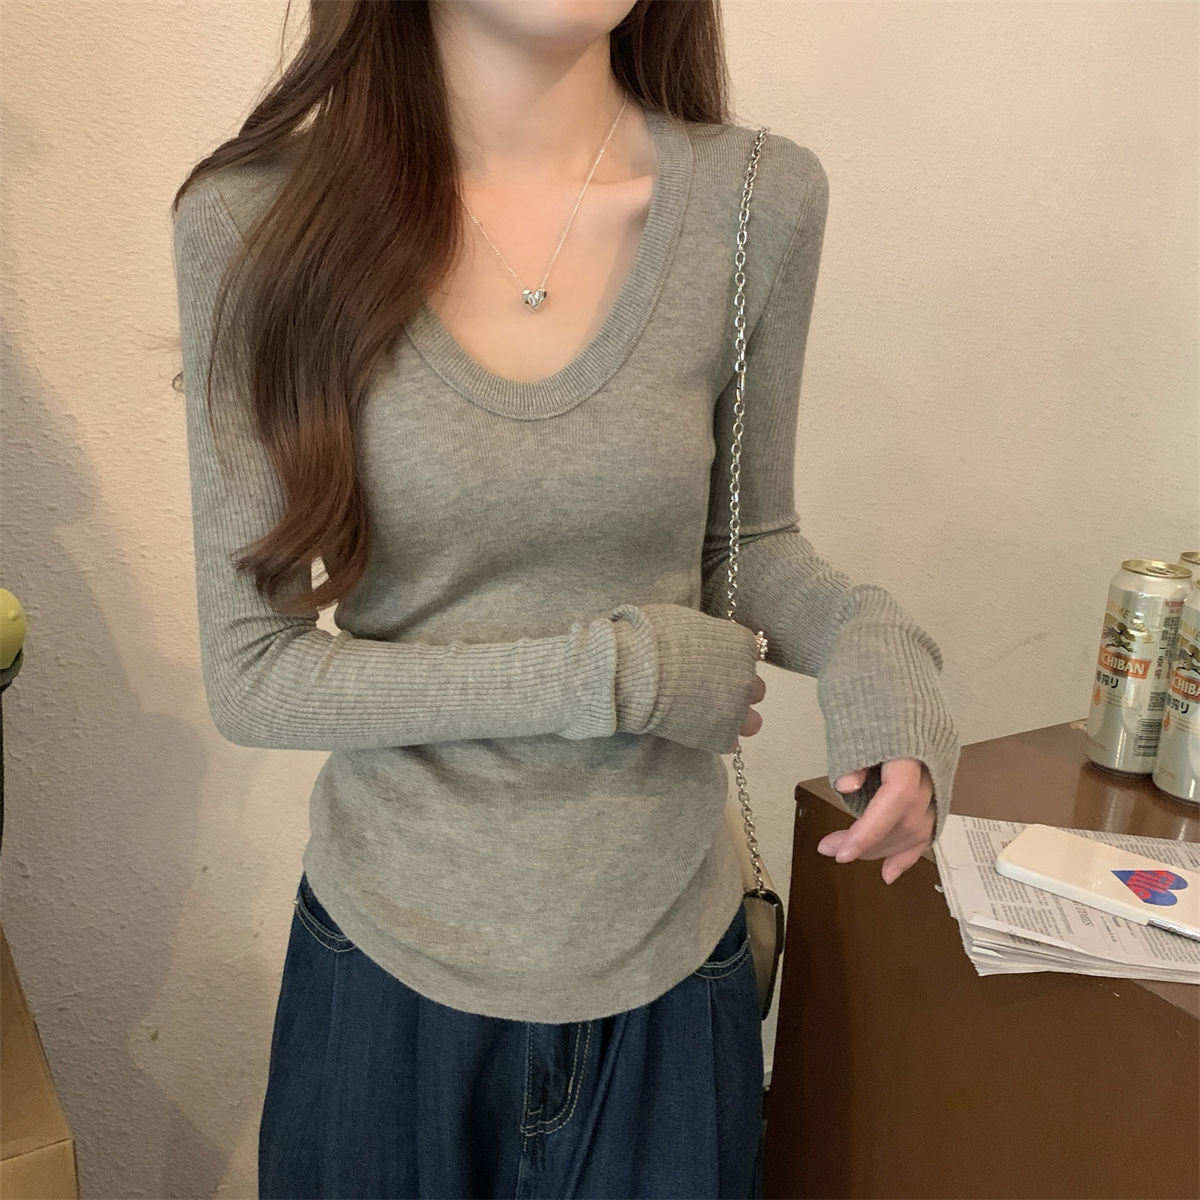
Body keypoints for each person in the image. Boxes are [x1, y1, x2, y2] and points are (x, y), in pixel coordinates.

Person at [170, 1, 959, 1196]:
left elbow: (746, 544)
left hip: (669, 974)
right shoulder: (252, 222)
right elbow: (256, 673)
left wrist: (873, 649)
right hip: (388, 982)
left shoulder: (757, 202)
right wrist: (619, 677)